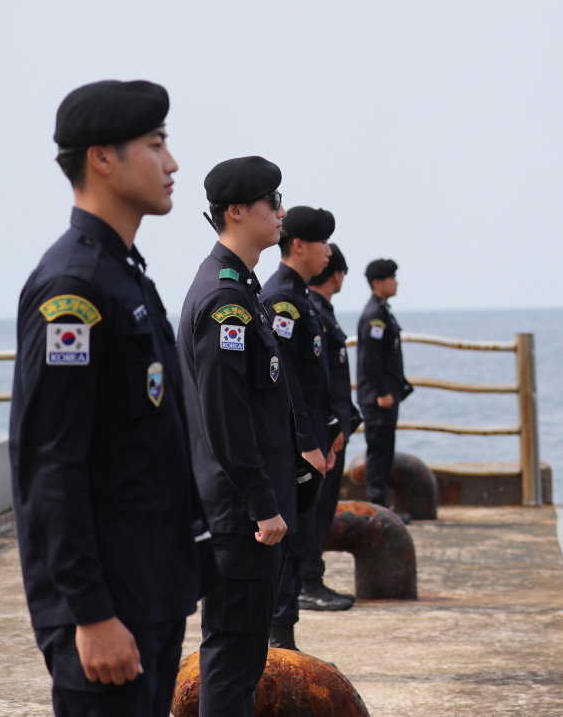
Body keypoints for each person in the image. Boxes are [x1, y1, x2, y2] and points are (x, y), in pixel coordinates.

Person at [9, 79, 212, 717]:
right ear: (102, 158)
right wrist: (89, 613)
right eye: (156, 145)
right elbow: (50, 465)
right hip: (107, 613)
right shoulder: (74, 288)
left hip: (150, 592)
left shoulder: (124, 274)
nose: (173, 164)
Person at [178, 156, 326, 717]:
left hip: (248, 507)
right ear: (237, 212)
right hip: (242, 514)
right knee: (234, 652)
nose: (281, 211)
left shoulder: (240, 287)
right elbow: (226, 416)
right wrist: (264, 507)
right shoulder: (225, 300)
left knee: (242, 652)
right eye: (272, 202)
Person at [260, 206, 350, 651]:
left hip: (310, 444)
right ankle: (279, 641)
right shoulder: (281, 299)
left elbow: (314, 382)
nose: (328, 252)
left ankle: (284, 638)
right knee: (288, 544)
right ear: (300, 246)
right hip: (293, 448)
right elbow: (287, 383)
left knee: (297, 543)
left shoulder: (298, 297)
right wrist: (308, 443)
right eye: (323, 243)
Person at [303, 244, 363, 609]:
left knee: (323, 509)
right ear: (337, 274)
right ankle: (308, 581)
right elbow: (315, 382)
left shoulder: (321, 311)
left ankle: (311, 577)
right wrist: (329, 428)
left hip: (333, 428)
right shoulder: (312, 311)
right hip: (324, 433)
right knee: (317, 508)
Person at [356, 259, 414, 518]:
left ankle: (382, 507)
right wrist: (381, 392)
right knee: (378, 451)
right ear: (378, 282)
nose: (396, 281)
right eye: (392, 277)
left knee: (384, 448)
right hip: (379, 397)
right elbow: (370, 357)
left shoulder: (382, 311)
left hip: (386, 394)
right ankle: (378, 508)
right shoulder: (375, 316)